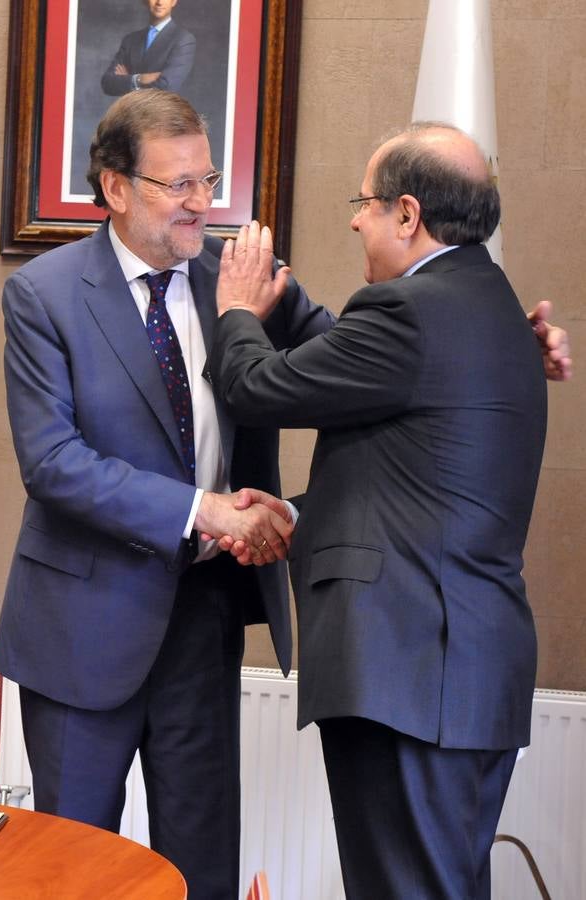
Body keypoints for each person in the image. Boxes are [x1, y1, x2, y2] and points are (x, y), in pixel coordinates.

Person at [0, 90, 334, 899]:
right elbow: (53, 464)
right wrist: (203, 510)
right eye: (176, 185)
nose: (200, 205)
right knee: (72, 872)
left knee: (203, 866)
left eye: (207, 181)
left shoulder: (238, 279)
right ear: (115, 188)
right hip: (80, 629)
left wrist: (488, 338)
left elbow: (355, 356)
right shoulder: (44, 295)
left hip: (203, 616)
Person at [211, 123, 558, 899]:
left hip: (411, 673)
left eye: (365, 203)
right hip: (461, 671)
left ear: (408, 213)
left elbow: (254, 388)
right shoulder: (493, 308)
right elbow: (419, 474)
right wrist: (302, 517)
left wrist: (237, 310)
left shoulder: (410, 311)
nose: (354, 219)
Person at [101, 0, 196, 97]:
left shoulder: (183, 39)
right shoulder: (130, 40)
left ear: (174, 1)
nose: (159, 2)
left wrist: (128, 80)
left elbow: (166, 87)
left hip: (158, 112)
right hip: (129, 111)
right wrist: (140, 78)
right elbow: (107, 83)